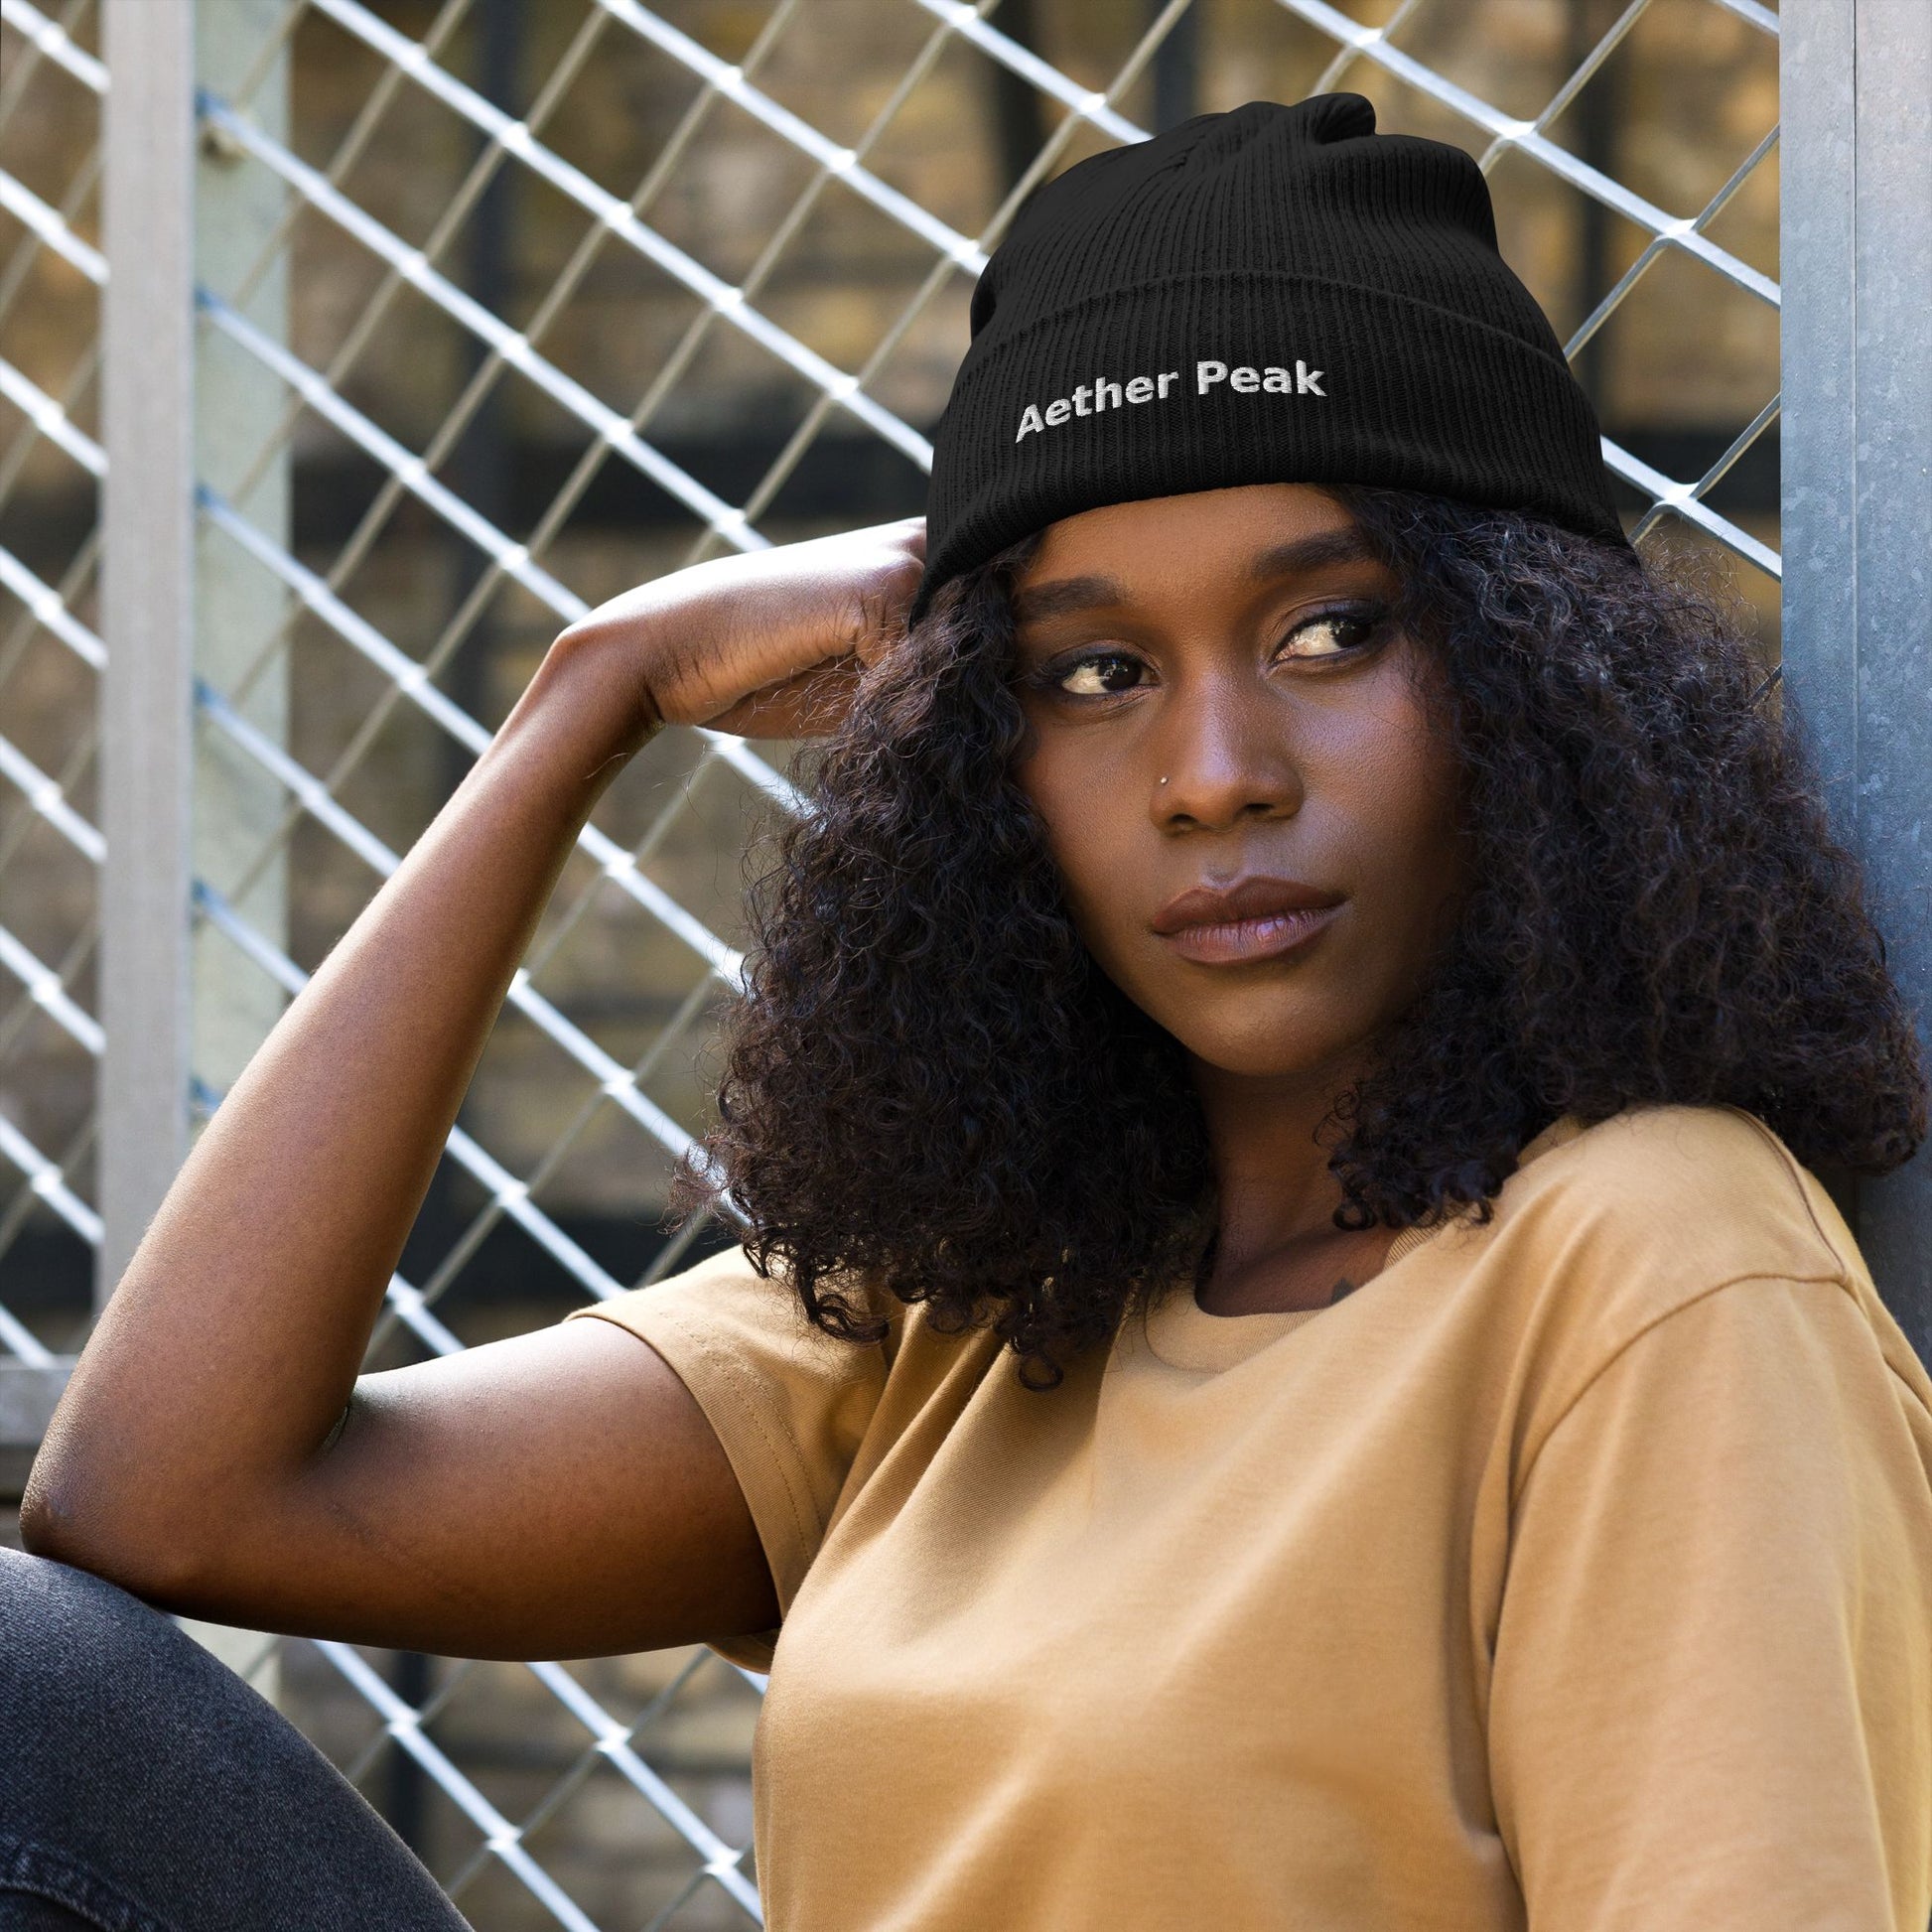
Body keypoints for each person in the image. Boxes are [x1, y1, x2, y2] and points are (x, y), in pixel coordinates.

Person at [8, 93, 1932, 1932]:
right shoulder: (978, 1310)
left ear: (1547, 676)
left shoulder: (1649, 1262)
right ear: (976, 765)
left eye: (1329, 629)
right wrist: (581, 705)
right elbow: (170, 1502)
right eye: (1090, 668)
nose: (1210, 773)